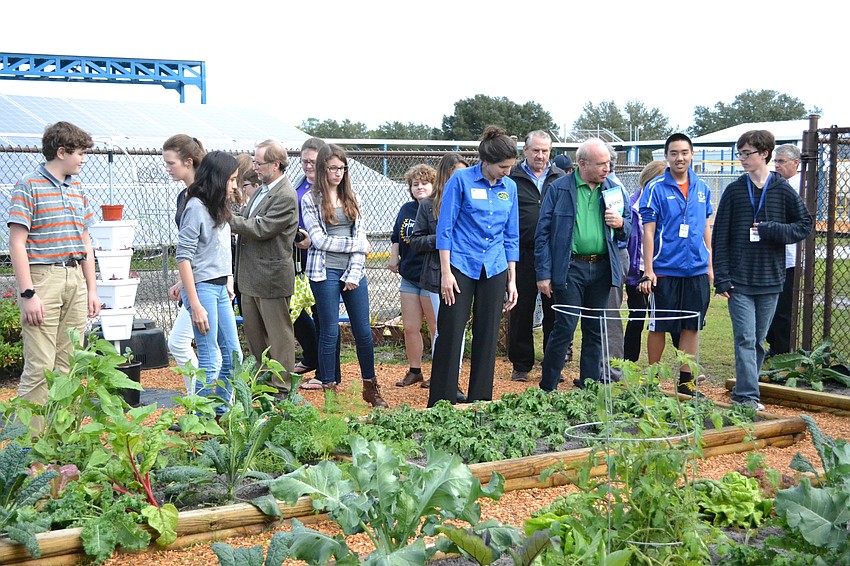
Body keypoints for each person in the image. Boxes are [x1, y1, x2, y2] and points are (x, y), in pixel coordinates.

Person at [713, 130, 813, 411]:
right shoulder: (734, 191)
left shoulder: (782, 189)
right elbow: (720, 236)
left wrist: (771, 230)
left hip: (770, 278)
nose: (742, 159)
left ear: (765, 154)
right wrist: (722, 277)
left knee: (757, 340)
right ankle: (746, 396)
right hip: (739, 280)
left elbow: (804, 225)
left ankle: (748, 389)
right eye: (740, 153)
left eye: (747, 153)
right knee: (745, 337)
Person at [9, 121, 100, 408]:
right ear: (61, 152)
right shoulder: (28, 186)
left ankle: (62, 435)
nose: (83, 159)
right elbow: (17, 243)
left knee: (69, 366)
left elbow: (85, 241)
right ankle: (29, 437)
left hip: (75, 278)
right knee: (40, 368)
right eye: (80, 153)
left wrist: (92, 289)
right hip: (43, 279)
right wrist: (28, 293)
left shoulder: (78, 188)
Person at [428, 126, 519, 407]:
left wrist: (512, 279)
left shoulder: (510, 187)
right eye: (503, 167)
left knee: (488, 334)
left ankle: (480, 402)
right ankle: (441, 403)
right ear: (487, 161)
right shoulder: (461, 180)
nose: (507, 172)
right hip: (460, 265)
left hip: (495, 266)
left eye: (510, 167)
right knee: (451, 331)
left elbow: (511, 235)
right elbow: (445, 228)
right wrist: (446, 273)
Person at [535, 138, 630, 392]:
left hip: (602, 269)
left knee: (595, 330)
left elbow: (629, 229)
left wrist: (621, 224)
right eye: (601, 164)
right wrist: (543, 274)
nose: (607, 168)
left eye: (608, 163)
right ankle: (548, 388)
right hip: (570, 269)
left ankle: (589, 389)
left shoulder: (613, 190)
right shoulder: (559, 189)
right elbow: (542, 233)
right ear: (582, 163)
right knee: (564, 328)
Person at [302, 143, 388, 408]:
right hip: (323, 270)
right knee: (329, 331)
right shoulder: (310, 200)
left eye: (342, 168)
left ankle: (370, 388)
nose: (338, 173)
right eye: (333, 168)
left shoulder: (353, 196)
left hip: (353, 270)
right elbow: (319, 240)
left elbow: (360, 234)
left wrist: (354, 272)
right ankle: (330, 391)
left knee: (363, 331)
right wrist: (358, 245)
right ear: (323, 168)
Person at [638, 133, 714, 395]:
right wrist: (649, 270)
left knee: (692, 325)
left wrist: (710, 264)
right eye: (674, 153)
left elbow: (706, 226)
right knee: (659, 325)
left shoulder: (702, 187)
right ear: (667, 156)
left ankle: (686, 382)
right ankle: (652, 379)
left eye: (684, 152)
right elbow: (648, 231)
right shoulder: (655, 188)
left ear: (692, 154)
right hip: (665, 270)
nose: (679, 158)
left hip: (696, 269)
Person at [229, 139, 299, 399]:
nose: (254, 167)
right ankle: (263, 384)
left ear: (276, 164)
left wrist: (227, 220)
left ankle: (282, 388)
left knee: (278, 336)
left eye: (259, 163)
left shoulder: (285, 195)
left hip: (271, 277)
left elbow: (262, 228)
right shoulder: (263, 190)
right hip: (251, 277)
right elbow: (249, 219)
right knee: (255, 335)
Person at [176, 151, 243, 414]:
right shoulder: (195, 207)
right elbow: (183, 257)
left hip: (219, 288)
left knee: (234, 357)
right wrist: (195, 305)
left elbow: (219, 250)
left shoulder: (218, 206)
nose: (235, 185)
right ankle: (200, 417)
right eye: (232, 179)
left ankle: (220, 411)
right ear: (218, 178)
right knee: (209, 358)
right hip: (202, 289)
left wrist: (229, 279)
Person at [506, 131, 566, 382]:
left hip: (554, 254)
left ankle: (552, 365)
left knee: (555, 311)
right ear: (525, 151)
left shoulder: (561, 178)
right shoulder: (512, 178)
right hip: (522, 253)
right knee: (521, 309)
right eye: (536, 150)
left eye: (545, 151)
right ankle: (521, 364)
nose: (540, 156)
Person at [409, 152, 469, 396]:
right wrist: (443, 238)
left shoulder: (470, 202)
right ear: (445, 175)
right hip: (436, 276)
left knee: (459, 329)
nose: (462, 179)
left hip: (466, 271)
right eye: (456, 174)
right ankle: (443, 381)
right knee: (442, 330)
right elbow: (416, 241)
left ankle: (452, 380)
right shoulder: (428, 205)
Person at [389, 164, 438, 387]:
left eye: (425, 183)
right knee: (410, 327)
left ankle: (439, 371)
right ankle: (415, 370)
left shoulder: (437, 208)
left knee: (436, 328)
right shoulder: (406, 209)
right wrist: (394, 258)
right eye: (415, 184)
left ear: (434, 185)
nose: (420, 187)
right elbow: (396, 236)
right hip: (409, 275)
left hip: (430, 277)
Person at [163, 134, 207, 381]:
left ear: (189, 161)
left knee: (181, 342)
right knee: (187, 343)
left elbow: (210, 246)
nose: (168, 169)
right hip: (195, 277)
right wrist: (183, 280)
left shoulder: (206, 195)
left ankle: (200, 397)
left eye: (171, 163)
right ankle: (201, 396)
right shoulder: (184, 196)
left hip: (207, 280)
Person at [290, 137, 326, 389]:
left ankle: (326, 370)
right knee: (295, 308)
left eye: (312, 161)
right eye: (304, 161)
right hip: (297, 254)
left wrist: (313, 237)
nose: (308, 166)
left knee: (322, 313)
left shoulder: (328, 187)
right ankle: (311, 355)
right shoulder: (299, 183)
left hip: (319, 256)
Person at [623, 160, 667, 362]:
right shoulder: (631, 204)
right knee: (637, 315)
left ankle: (681, 365)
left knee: (664, 317)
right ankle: (628, 362)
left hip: (661, 269)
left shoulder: (666, 203)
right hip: (637, 270)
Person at [766, 144, 803, 356]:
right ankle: (774, 343)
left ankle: (781, 349)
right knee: (770, 303)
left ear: (795, 163)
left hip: (791, 256)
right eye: (776, 161)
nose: (777, 165)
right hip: (772, 255)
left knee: (784, 306)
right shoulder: (774, 184)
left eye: (782, 161)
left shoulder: (801, 187)